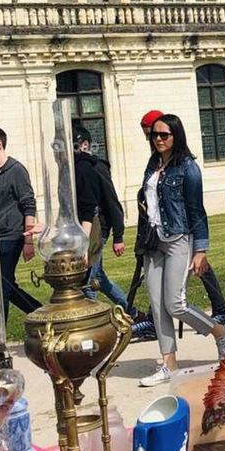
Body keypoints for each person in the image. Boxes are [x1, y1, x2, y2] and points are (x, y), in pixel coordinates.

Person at [137, 113, 225, 386]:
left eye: (164, 135)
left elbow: (196, 211)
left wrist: (200, 249)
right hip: (152, 242)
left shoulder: (188, 168)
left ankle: (219, 330)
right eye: (154, 135)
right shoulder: (152, 164)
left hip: (179, 238)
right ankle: (169, 365)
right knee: (157, 307)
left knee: (175, 304)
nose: (158, 139)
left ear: (176, 136)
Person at [0, 126, 41, 318]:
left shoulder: (16, 170)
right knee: (4, 286)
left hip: (11, 236)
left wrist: (28, 241)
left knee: (2, 289)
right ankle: (42, 314)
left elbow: (28, 204)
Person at [72, 126, 130, 313]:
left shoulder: (94, 168)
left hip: (97, 228)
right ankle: (131, 311)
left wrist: (118, 236)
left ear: (84, 144)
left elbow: (111, 201)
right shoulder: (75, 168)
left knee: (88, 280)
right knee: (99, 277)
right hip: (84, 228)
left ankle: (93, 322)